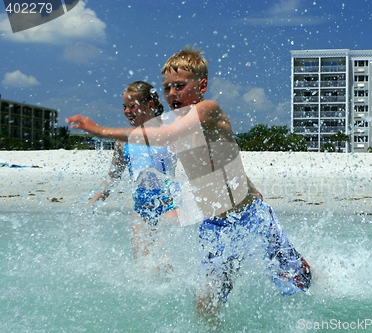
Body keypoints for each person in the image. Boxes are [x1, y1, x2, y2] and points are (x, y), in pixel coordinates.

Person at [67, 46, 311, 316]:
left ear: (202, 85)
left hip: (252, 218)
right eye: (167, 88)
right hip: (216, 227)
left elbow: (162, 137)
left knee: (297, 283)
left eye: (180, 86)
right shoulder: (175, 125)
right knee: (206, 303)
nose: (172, 94)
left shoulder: (208, 110)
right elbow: (223, 159)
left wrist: (97, 130)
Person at [90, 81, 180, 262]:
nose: (126, 112)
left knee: (163, 262)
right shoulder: (123, 141)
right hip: (141, 211)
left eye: (132, 106)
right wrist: (92, 203)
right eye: (124, 107)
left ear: (150, 105)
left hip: (170, 207)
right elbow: (112, 178)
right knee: (142, 268)